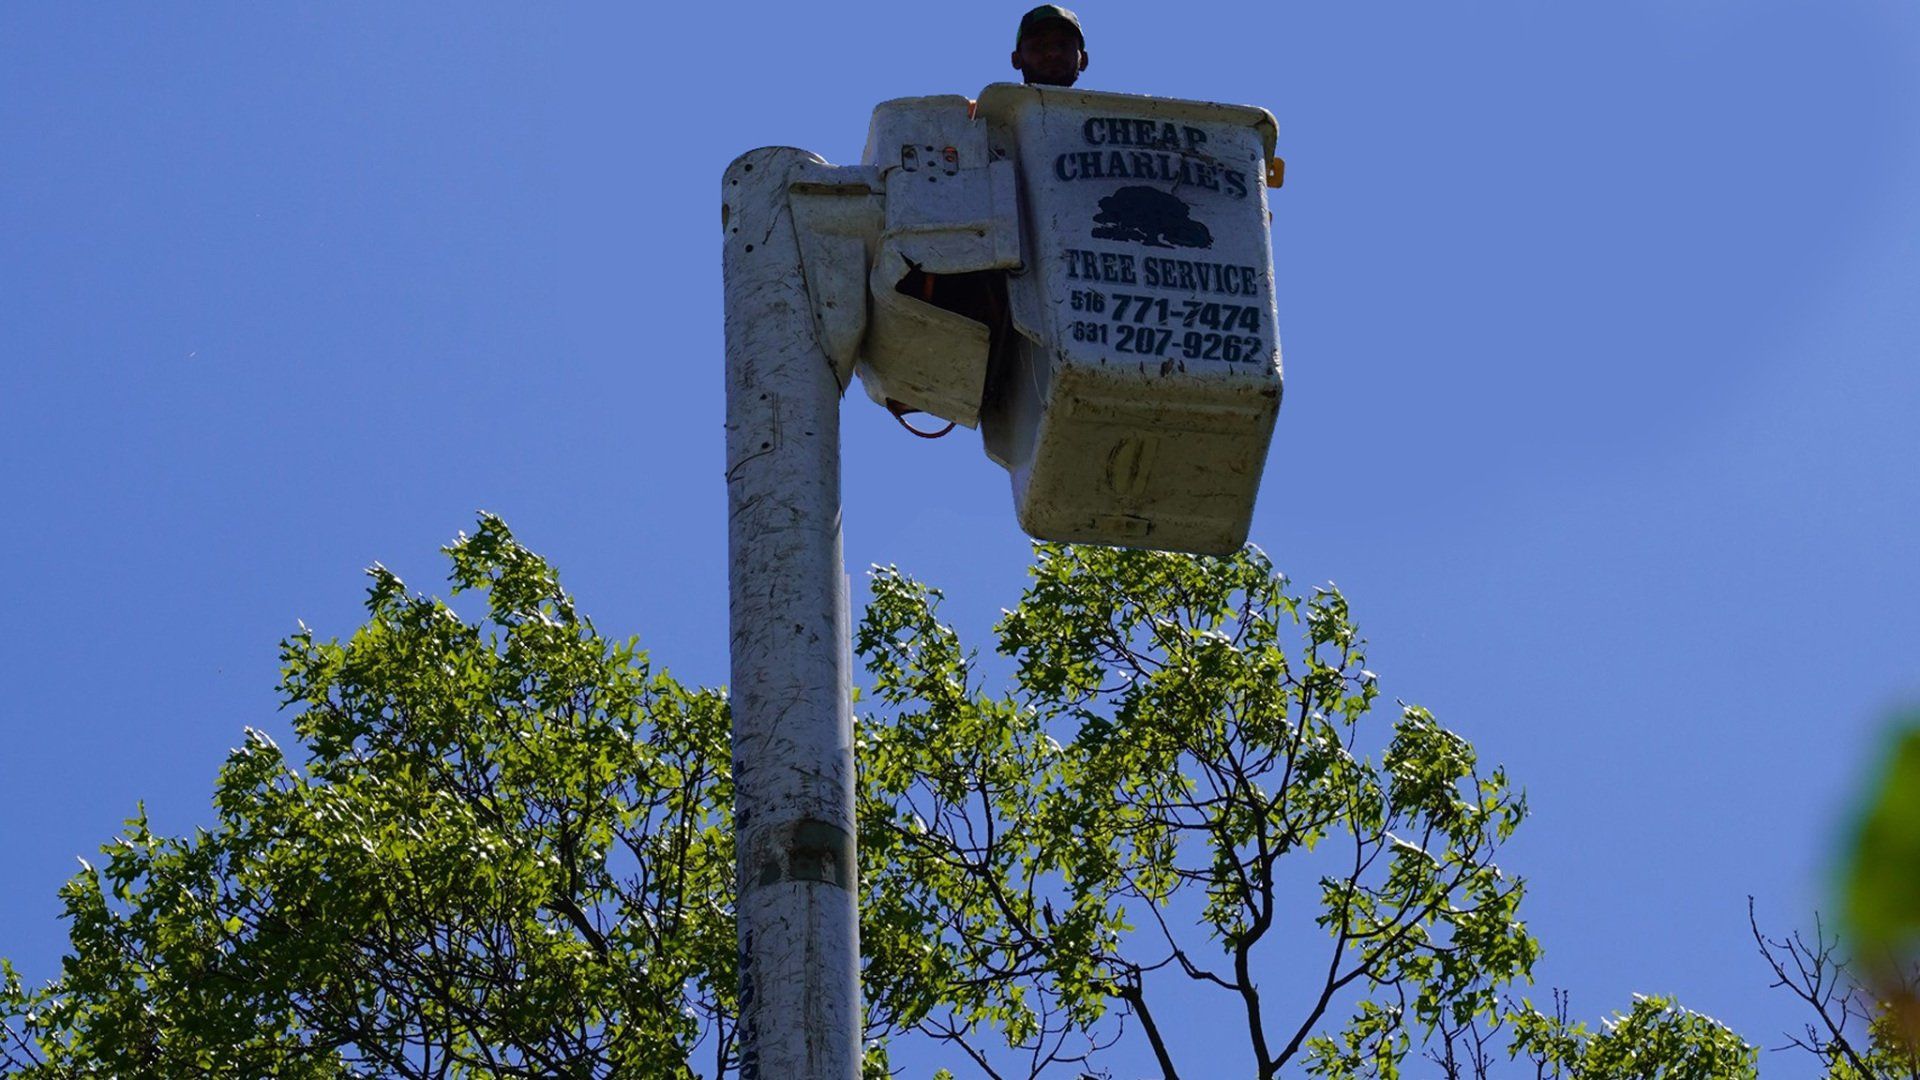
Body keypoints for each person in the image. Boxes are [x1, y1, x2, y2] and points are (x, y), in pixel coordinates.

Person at [1011, 4, 1088, 87]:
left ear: (1083, 60)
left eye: (1064, 45)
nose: (1053, 53)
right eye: (1039, 45)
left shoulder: (1101, 99)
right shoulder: (998, 97)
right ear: (1016, 59)